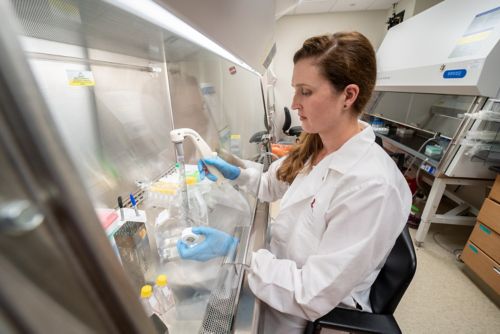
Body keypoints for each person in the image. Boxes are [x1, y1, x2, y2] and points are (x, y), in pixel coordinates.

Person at [177, 32, 412, 334]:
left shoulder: (372, 186)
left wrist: (237, 253)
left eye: (306, 91)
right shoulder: (318, 144)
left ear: (348, 96)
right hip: (278, 275)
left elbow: (311, 293)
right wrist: (234, 172)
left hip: (306, 315)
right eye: (295, 90)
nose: (294, 103)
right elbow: (269, 184)